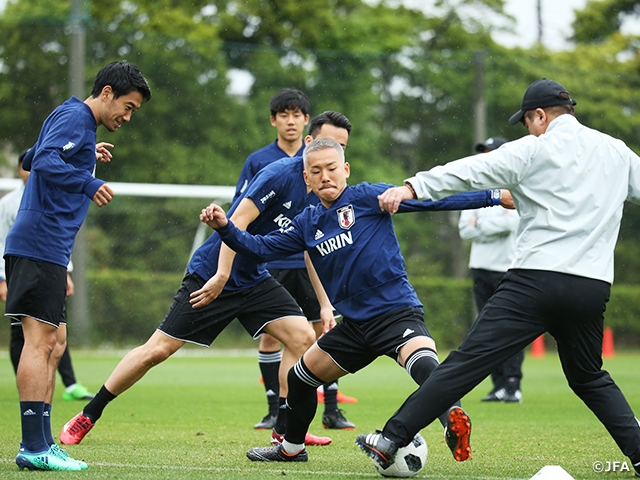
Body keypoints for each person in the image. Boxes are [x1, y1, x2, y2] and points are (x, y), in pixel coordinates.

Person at [359, 78, 640, 477]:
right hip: (591, 288)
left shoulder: (535, 148)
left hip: (536, 281)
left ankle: (390, 438)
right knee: (589, 376)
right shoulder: (617, 151)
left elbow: (473, 171)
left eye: (527, 121)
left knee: (466, 363)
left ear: (539, 115)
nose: (527, 129)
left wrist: (412, 186)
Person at [199, 137, 511, 463]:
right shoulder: (307, 223)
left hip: (395, 312)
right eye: (316, 171)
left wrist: (492, 197)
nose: (325, 176)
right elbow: (260, 248)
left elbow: (431, 200)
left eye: (332, 168)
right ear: (306, 178)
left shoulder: (366, 197)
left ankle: (453, 421)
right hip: (354, 327)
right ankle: (291, 449)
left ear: (345, 169)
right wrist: (225, 227)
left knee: (422, 362)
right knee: (299, 378)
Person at [58, 113, 360, 450]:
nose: (328, 163)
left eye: (339, 150)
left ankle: (285, 430)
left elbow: (310, 249)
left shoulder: (326, 195)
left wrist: (324, 303)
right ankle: (88, 414)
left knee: (303, 336)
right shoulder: (276, 175)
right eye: (324, 150)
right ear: (308, 145)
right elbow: (236, 222)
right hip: (213, 272)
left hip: (254, 279)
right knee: (157, 350)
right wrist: (221, 275)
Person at [5, 60, 151, 472]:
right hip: (39, 244)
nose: (126, 116)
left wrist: (85, 156)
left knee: (54, 344)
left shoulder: (76, 123)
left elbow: (34, 154)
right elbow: (44, 162)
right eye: (127, 106)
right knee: (39, 343)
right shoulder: (75, 116)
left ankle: (44, 443)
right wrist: (87, 180)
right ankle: (33, 447)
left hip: (46, 248)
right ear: (106, 93)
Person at [235, 91, 356, 432]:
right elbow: (239, 215)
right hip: (274, 262)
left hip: (316, 261)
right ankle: (276, 410)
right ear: (310, 139)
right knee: (277, 337)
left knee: (323, 332)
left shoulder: (333, 173)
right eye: (283, 114)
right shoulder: (263, 162)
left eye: (340, 147)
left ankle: (331, 409)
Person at [1, 150, 95, 402]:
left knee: (55, 338)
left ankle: (67, 387)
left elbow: (62, 235)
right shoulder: (10, 203)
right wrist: (2, 278)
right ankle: (31, 419)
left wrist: (66, 271)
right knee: (31, 338)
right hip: (26, 263)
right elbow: (1, 241)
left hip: (52, 262)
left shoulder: (53, 192)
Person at [458, 137, 524, 403]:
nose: (485, 156)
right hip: (480, 268)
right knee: (486, 328)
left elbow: (511, 224)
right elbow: (465, 229)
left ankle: (512, 384)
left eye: (490, 152)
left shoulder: (515, 186)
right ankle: (498, 385)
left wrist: (480, 224)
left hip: (507, 268)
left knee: (511, 327)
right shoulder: (476, 188)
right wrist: (490, 223)